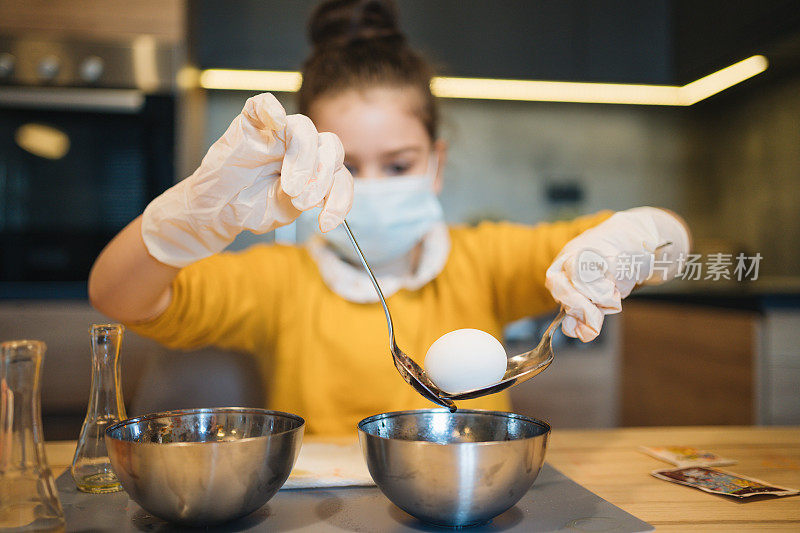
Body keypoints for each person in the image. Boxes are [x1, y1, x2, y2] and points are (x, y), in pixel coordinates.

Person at [88, 0, 690, 435]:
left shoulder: (484, 262)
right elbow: (118, 297)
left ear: (436, 162)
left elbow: (674, 248)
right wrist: (188, 220)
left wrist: (636, 238)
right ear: (304, 172)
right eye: (346, 166)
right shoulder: (277, 283)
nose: (371, 188)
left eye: (399, 164)